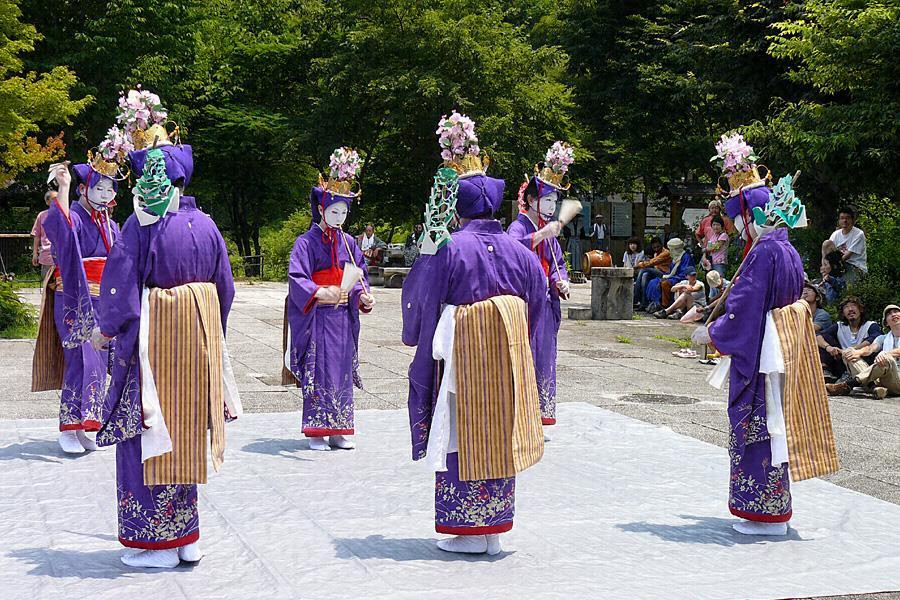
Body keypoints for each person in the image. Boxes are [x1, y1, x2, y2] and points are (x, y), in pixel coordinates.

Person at [93, 123, 241, 568]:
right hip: (195, 346)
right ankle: (187, 538)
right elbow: (225, 290)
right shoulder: (208, 225)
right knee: (186, 431)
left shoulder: (141, 227)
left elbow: (119, 286)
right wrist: (206, 331)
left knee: (147, 431)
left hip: (153, 348)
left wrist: (107, 329)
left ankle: (156, 543)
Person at [403, 113, 546, 556]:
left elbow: (423, 302)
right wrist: (527, 359)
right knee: (498, 430)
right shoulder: (519, 253)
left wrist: (423, 334)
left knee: (461, 432)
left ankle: (467, 528)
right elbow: (537, 309)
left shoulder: (450, 248)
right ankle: (495, 526)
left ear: (458, 207)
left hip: (463, 361)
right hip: (506, 361)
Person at [694, 133, 838, 536]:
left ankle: (762, 512)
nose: (739, 229)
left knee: (757, 426)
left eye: (741, 221)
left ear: (754, 217)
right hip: (779, 349)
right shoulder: (787, 248)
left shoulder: (763, 251)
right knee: (774, 424)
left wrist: (714, 333)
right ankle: (773, 506)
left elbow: (747, 306)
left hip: (760, 351)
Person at [284, 147, 374, 451]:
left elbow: (359, 274)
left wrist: (364, 298)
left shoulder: (349, 242)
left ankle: (339, 429)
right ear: (321, 210)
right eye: (335, 211)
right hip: (319, 317)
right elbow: (297, 278)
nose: (340, 217)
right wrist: (320, 292)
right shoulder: (305, 243)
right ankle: (317, 430)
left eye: (345, 212)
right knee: (319, 371)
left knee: (341, 371)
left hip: (342, 319)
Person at [38, 150, 121, 454]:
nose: (105, 194)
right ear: (84, 189)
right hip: (75, 296)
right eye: (98, 188)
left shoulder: (111, 225)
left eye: (110, 189)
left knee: (99, 363)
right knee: (80, 360)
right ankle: (69, 425)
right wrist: (63, 187)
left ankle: (90, 424)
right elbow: (59, 227)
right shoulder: (73, 216)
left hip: (106, 302)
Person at [507, 141, 574, 434]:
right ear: (531, 199)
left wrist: (563, 282)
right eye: (546, 199)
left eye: (553, 201)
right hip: (523, 305)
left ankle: (539, 415)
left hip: (545, 304)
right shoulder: (519, 226)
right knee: (523, 357)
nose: (550, 206)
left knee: (544, 358)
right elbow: (511, 251)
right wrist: (540, 235)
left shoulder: (549, 232)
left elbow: (558, 263)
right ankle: (519, 416)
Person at [827, 305, 900, 398]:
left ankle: (849, 385)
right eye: (889, 314)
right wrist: (858, 352)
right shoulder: (883, 338)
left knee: (886, 358)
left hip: (897, 382)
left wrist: (887, 353)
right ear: (886, 323)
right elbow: (870, 348)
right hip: (883, 380)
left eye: (896, 312)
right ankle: (875, 388)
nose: (893, 314)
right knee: (848, 352)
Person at [818, 297, 881, 387]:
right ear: (843, 313)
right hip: (842, 363)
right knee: (825, 338)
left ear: (861, 309)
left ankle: (854, 380)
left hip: (863, 361)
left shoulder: (870, 325)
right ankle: (826, 371)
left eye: (853, 306)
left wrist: (851, 350)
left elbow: (874, 339)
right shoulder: (839, 326)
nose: (850, 309)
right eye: (846, 307)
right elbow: (818, 337)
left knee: (871, 348)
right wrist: (829, 348)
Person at [644, 237, 693, 312]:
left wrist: (669, 277)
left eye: (671, 249)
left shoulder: (686, 257)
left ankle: (665, 305)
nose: (670, 251)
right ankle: (655, 303)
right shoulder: (675, 257)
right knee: (653, 282)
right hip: (671, 276)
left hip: (680, 278)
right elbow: (670, 271)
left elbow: (685, 273)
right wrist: (667, 276)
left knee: (665, 283)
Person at [822, 207, 867, 285]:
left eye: (847, 218)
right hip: (837, 265)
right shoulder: (836, 234)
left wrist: (832, 266)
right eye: (842, 218)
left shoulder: (859, 234)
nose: (845, 221)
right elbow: (826, 251)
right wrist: (825, 266)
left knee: (844, 288)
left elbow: (847, 256)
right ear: (839, 221)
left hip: (854, 266)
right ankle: (826, 272)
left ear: (853, 220)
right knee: (826, 243)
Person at [633, 237, 671, 310]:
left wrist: (638, 266)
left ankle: (636, 297)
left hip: (665, 273)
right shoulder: (656, 253)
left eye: (658, 247)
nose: (656, 249)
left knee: (643, 270)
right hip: (656, 271)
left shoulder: (665, 253)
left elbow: (652, 262)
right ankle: (644, 303)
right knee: (645, 276)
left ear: (661, 245)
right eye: (654, 248)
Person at [31, 190, 56, 281]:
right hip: (47, 255)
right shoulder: (42, 215)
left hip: (64, 256)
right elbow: (37, 235)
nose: (57, 200)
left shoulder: (67, 215)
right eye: (54, 199)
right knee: (47, 286)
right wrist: (35, 254)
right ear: (47, 202)